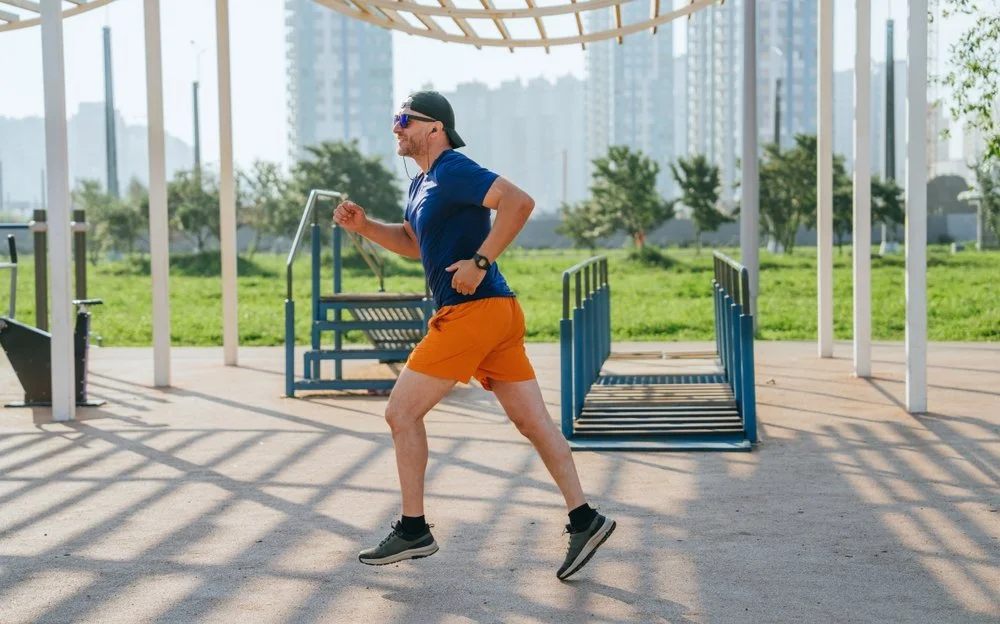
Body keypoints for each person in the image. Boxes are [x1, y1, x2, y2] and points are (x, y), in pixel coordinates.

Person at [334, 91, 615, 580]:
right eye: (394, 120)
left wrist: (481, 262)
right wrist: (365, 227)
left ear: (435, 127)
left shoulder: (453, 169)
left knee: (401, 412)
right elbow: (412, 242)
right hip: (497, 315)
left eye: (404, 119)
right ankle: (584, 518)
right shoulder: (422, 183)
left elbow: (519, 202)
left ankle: (414, 528)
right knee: (534, 423)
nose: (396, 128)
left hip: (472, 312)